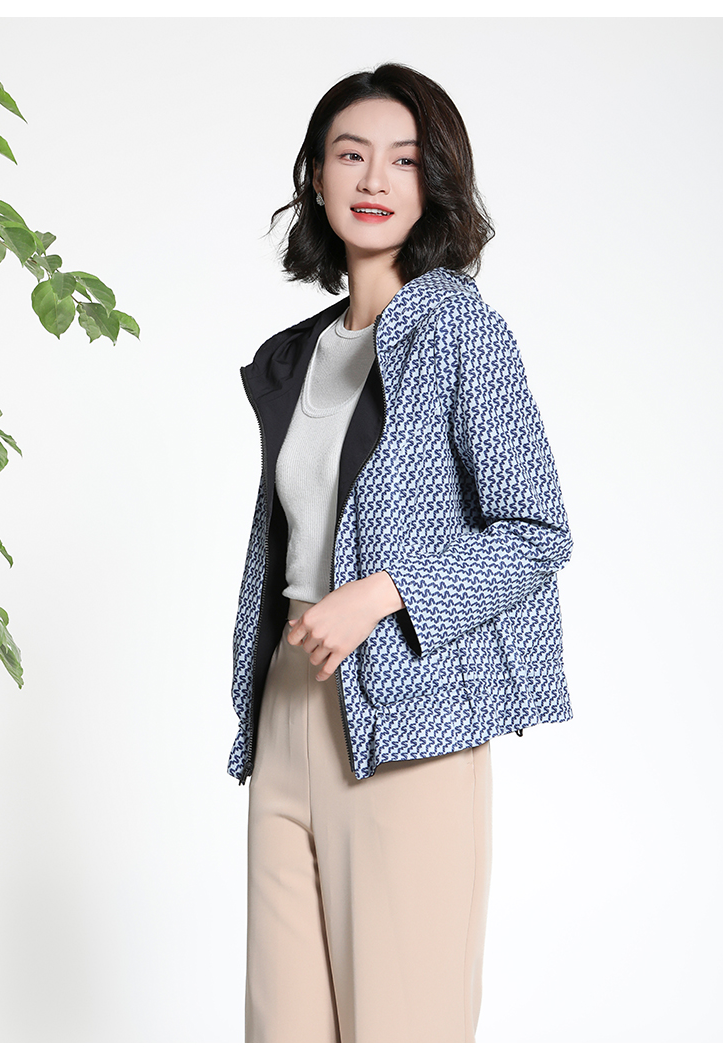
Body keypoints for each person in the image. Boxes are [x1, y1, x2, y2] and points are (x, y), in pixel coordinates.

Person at [227, 63, 572, 1044]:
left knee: (401, 1029)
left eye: (405, 159)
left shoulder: (462, 331)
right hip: (288, 702)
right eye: (351, 154)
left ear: (436, 183)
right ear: (317, 175)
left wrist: (380, 591)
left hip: (408, 723)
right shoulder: (300, 352)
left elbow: (538, 530)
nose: (374, 178)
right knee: (283, 1032)